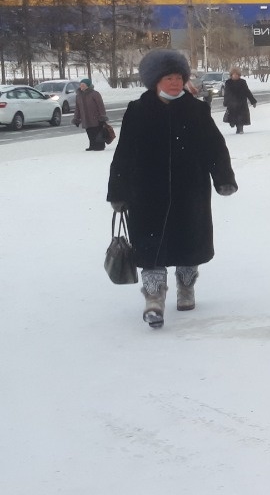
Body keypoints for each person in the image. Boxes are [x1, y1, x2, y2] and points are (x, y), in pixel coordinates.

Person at [106, 49, 238, 329]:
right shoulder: (138, 111)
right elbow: (124, 153)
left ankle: (186, 287)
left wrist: (223, 177)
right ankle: (153, 299)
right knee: (150, 247)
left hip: (189, 191)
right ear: (155, 80)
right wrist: (117, 191)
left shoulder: (196, 110)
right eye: (169, 77)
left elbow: (215, 146)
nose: (175, 82)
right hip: (146, 193)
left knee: (188, 243)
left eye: (179, 77)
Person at [71, 78, 108, 151]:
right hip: (85, 118)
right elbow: (77, 108)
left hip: (95, 118)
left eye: (83, 85)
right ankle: (92, 145)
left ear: (88, 85)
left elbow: (100, 106)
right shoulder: (78, 95)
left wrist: (102, 117)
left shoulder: (95, 94)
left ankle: (100, 146)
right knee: (89, 132)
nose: (81, 86)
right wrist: (76, 119)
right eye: (80, 85)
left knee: (97, 132)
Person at [221, 67, 257, 134]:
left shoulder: (242, 82)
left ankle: (240, 129)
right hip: (232, 104)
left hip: (241, 103)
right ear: (231, 75)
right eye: (233, 74)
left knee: (241, 117)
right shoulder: (228, 82)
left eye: (237, 74)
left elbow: (247, 92)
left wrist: (253, 101)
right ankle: (233, 123)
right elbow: (226, 93)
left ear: (239, 75)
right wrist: (226, 102)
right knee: (233, 118)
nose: (235, 76)